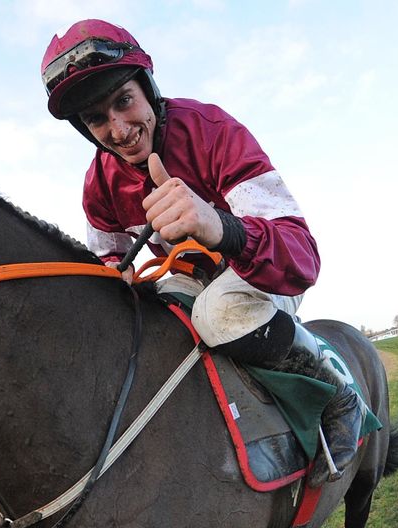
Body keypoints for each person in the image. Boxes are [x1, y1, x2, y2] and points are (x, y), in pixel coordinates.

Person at [41, 19, 362, 486]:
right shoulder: (98, 185)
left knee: (220, 311)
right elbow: (109, 263)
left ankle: (339, 395)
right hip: (188, 279)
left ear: (148, 89)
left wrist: (222, 227)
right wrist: (117, 278)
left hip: (263, 275)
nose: (119, 129)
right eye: (96, 119)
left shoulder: (213, 130)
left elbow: (303, 257)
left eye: (124, 101)